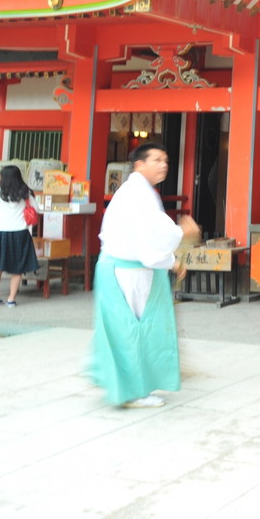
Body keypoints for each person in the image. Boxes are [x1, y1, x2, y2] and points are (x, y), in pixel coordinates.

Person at [90, 143, 199, 408]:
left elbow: (145, 236)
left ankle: (129, 386)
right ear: (139, 165)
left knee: (126, 329)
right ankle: (133, 391)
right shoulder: (138, 193)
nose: (164, 165)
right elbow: (154, 233)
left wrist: (171, 261)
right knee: (132, 330)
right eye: (157, 159)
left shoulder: (137, 191)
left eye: (166, 160)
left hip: (127, 266)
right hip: (129, 271)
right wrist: (182, 232)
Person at [0, 165, 40, 307]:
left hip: (1, 232)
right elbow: (37, 208)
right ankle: (11, 299)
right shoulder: (25, 191)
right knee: (17, 267)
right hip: (20, 232)